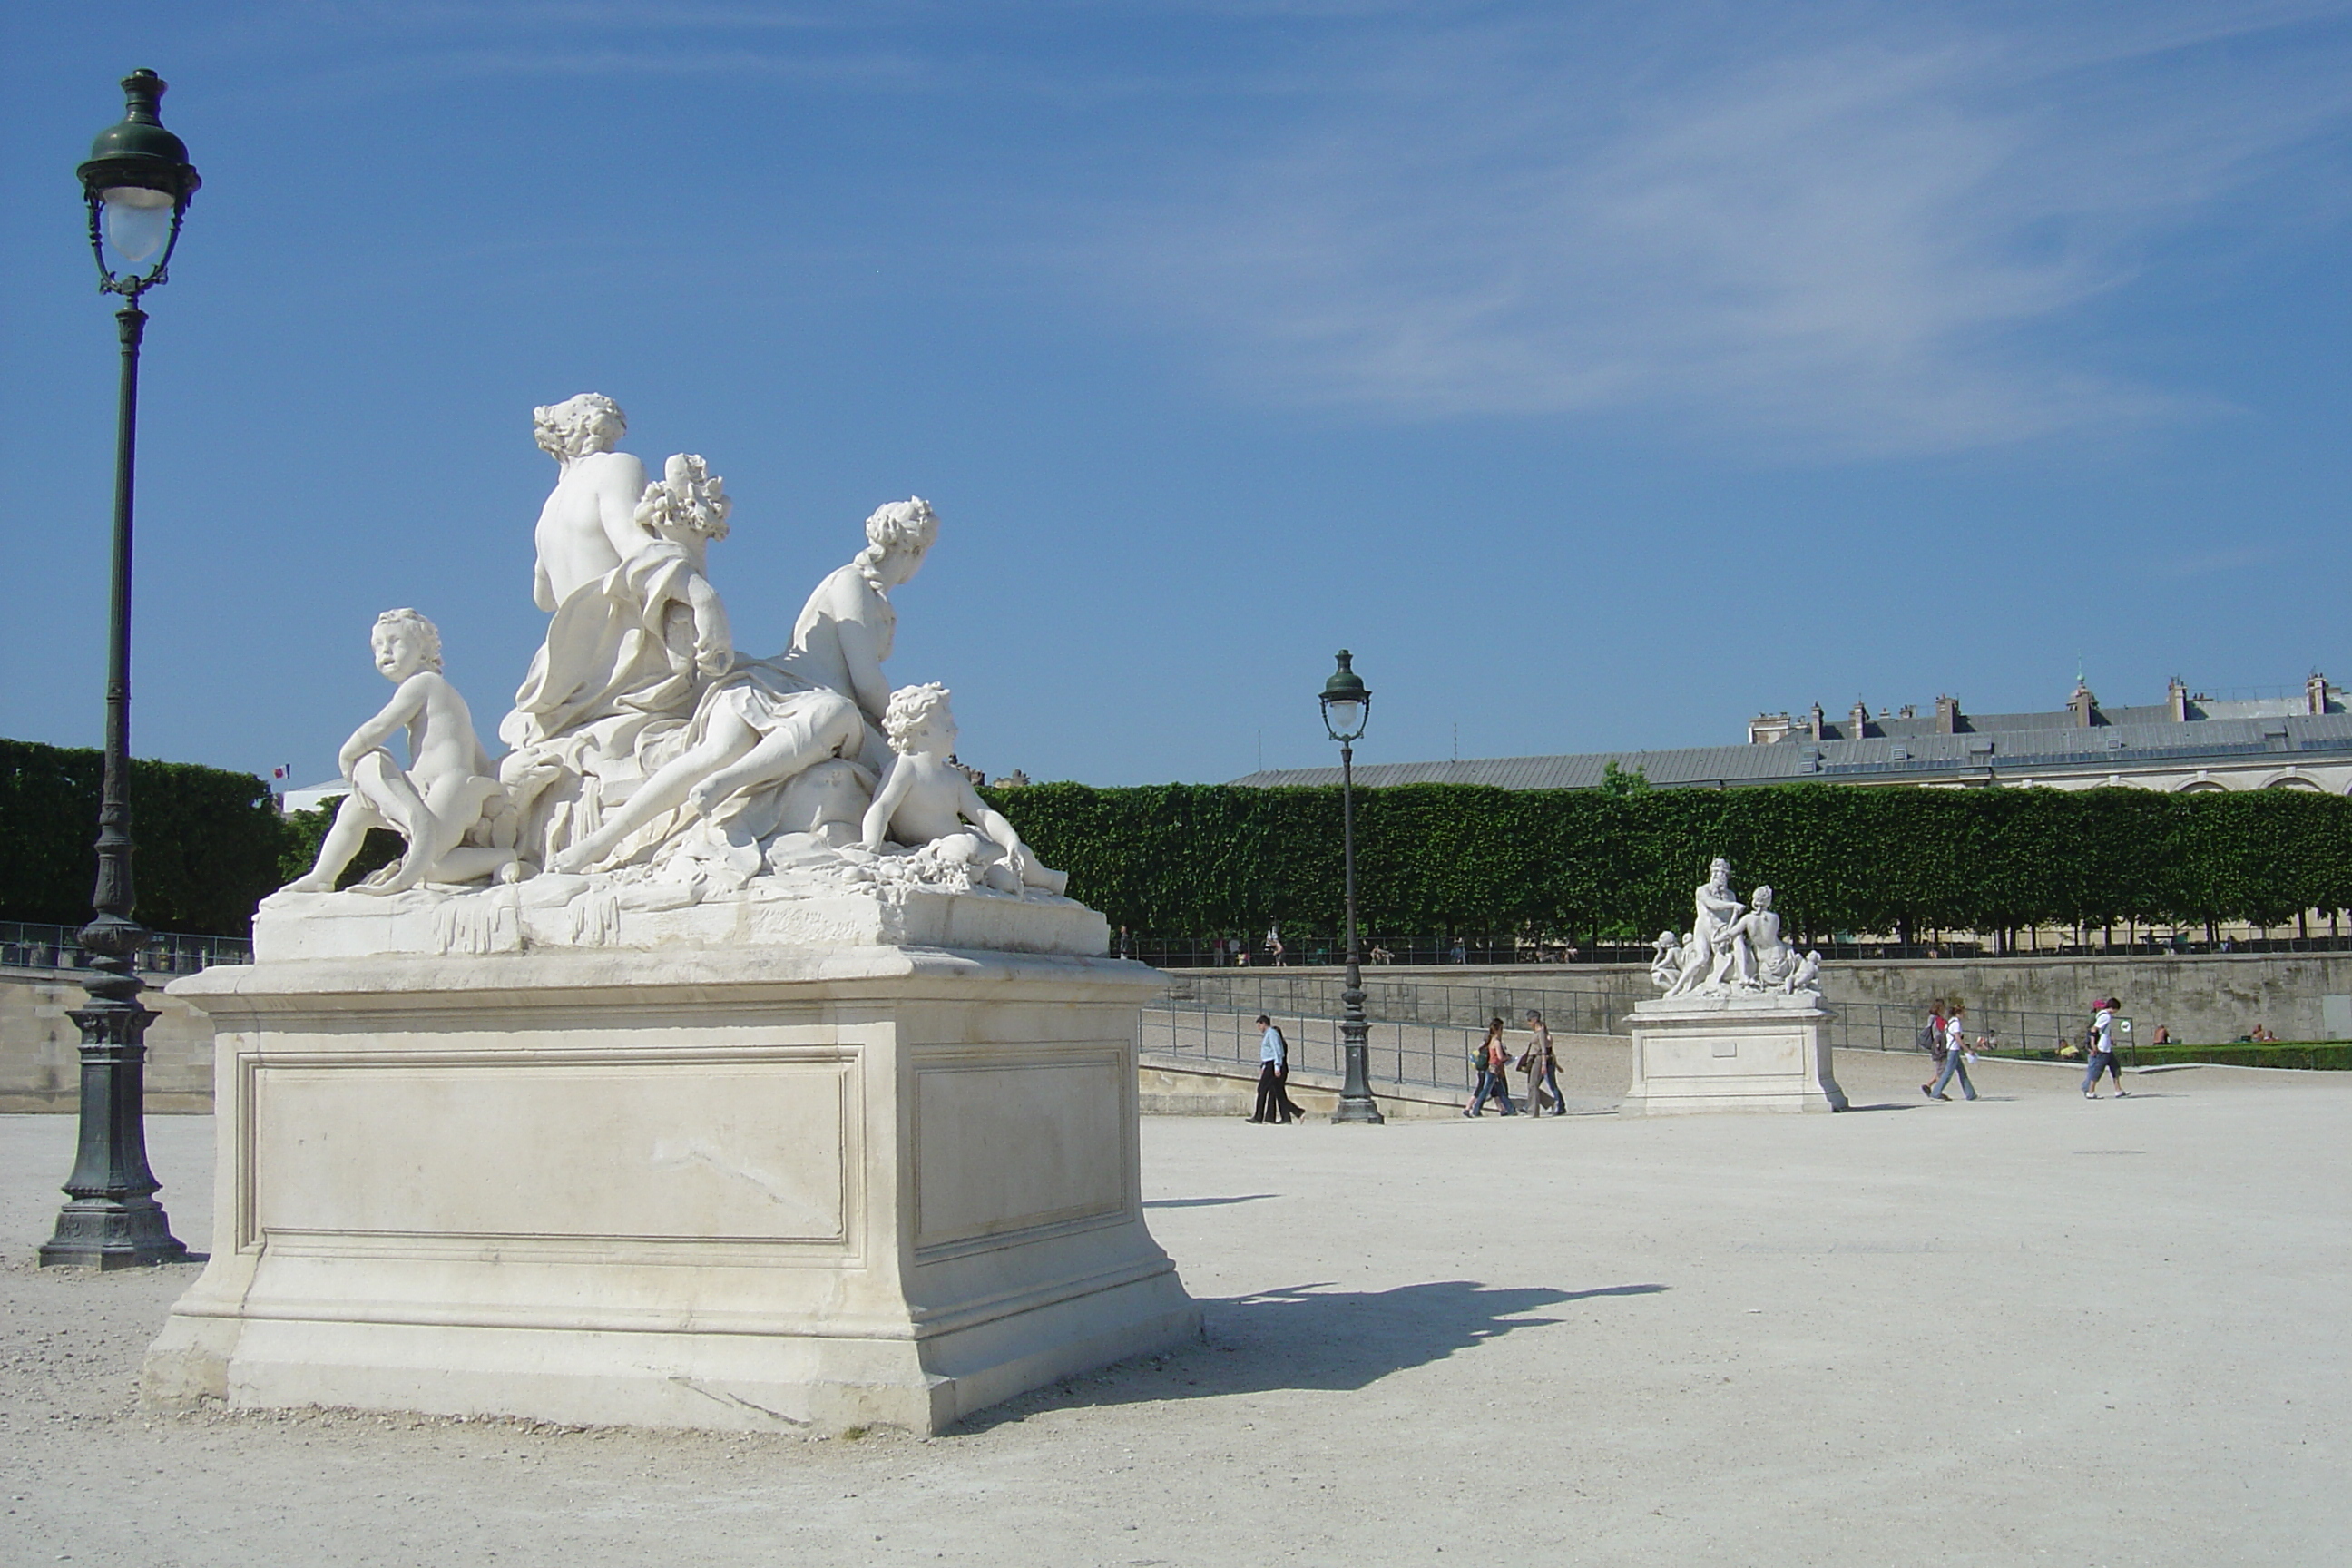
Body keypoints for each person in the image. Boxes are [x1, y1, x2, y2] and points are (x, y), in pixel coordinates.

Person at [285, 610, 517, 896]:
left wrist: (347, 754)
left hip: (450, 786)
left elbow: (380, 727)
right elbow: (475, 750)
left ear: (424, 650)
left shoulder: (424, 683)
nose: (385, 651)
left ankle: (501, 857)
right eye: (377, 647)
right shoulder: (438, 693)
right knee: (354, 811)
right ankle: (322, 876)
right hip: (422, 783)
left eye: (395, 642)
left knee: (429, 865)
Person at [1925, 1001, 1977, 1101]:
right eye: (1964, 1012)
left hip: (1953, 1050)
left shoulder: (1951, 1022)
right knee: (1948, 1073)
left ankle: (1971, 1094)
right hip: (1953, 1050)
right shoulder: (1956, 1023)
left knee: (1962, 1072)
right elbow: (1958, 1038)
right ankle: (1936, 1093)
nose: (1965, 1014)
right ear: (1960, 1012)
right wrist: (1968, 1050)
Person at [1464, 1018, 1518, 1116]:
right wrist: (1508, 1058)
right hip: (1494, 1068)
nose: (1502, 1032)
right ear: (1498, 1030)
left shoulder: (1491, 1040)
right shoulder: (1496, 1042)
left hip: (1493, 1068)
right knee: (1486, 1090)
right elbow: (1500, 1057)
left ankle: (1510, 1110)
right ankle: (1476, 1110)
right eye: (1501, 1029)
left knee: (1500, 1091)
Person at [1250, 1014, 1292, 1124]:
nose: (1259, 1029)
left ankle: (1259, 1116)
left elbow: (1276, 1050)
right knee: (1277, 1091)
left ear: (1263, 1024)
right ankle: (1285, 1117)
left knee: (1262, 1089)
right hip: (1269, 1063)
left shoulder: (1272, 1034)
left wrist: (1277, 1066)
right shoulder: (1268, 1034)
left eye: (1259, 1026)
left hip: (1272, 1063)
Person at [1523, 1010, 1565, 1116]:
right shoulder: (1537, 1033)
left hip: (1541, 1061)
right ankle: (1540, 1105)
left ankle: (1554, 1105)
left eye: (1529, 1020)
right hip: (1537, 1060)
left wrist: (1544, 1065)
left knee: (1545, 1085)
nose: (1528, 1023)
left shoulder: (1542, 1034)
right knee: (1533, 1085)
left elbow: (1544, 1050)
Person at [2082, 996, 2127, 1098]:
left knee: (2115, 1068)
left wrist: (2110, 1038)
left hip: (2107, 1048)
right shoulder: (2105, 1016)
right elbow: (2094, 1029)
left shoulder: (2104, 1015)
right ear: (2114, 1008)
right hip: (2102, 1048)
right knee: (2097, 1070)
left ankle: (2118, 1090)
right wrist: (2093, 1044)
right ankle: (2090, 1092)